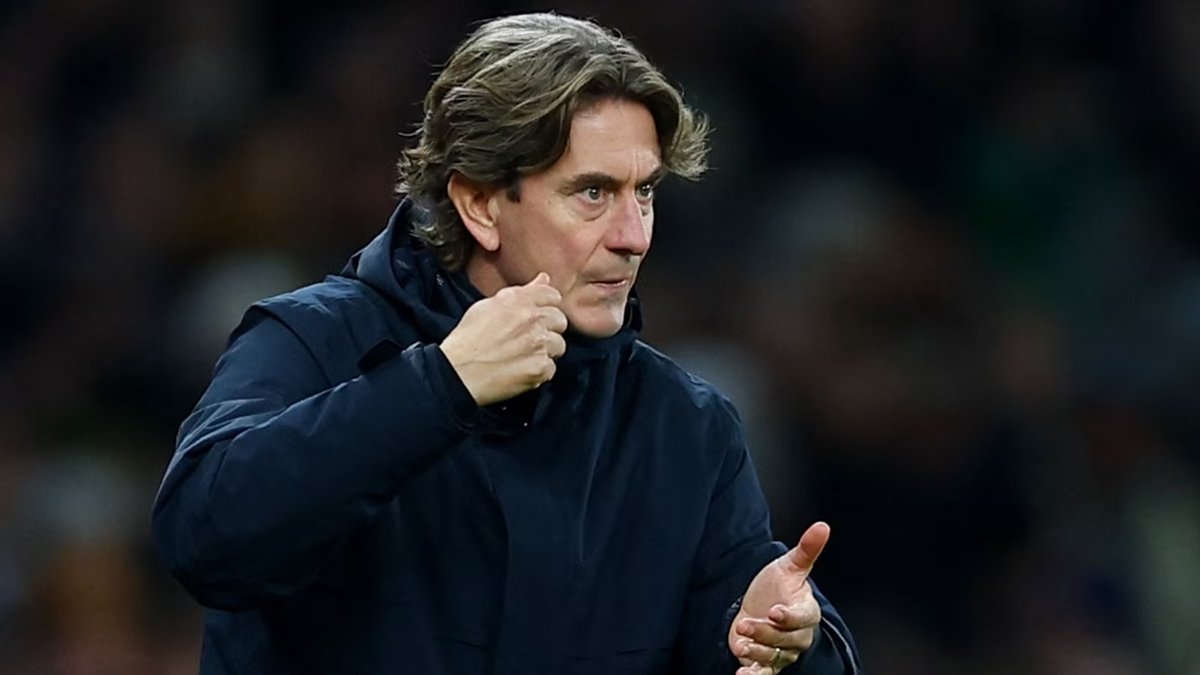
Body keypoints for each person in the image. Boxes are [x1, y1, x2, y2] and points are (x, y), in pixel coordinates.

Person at [152, 12, 860, 675]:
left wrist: (794, 643)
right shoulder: (313, 343)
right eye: (592, 192)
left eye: (644, 192)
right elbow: (204, 538)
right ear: (481, 203)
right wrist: (439, 387)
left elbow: (752, 629)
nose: (634, 236)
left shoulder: (685, 424)